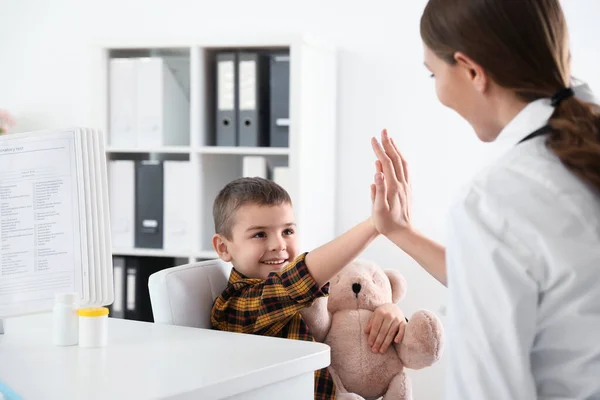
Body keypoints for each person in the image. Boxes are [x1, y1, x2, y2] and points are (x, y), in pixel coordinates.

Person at [370, 0, 600, 399]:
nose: (438, 90)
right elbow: (543, 288)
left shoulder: (495, 198)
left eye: (434, 74)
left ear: (472, 70)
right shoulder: (582, 150)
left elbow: (489, 389)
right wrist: (400, 231)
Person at [210, 177, 407, 400]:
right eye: (259, 234)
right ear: (224, 247)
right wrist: (373, 225)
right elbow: (294, 284)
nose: (279, 245)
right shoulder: (232, 309)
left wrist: (389, 311)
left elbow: (347, 309)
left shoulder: (309, 295)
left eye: (287, 231)